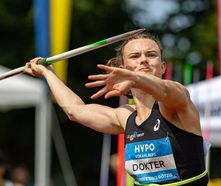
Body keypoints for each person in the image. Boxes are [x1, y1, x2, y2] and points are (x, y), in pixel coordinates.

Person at [25, 32, 208, 185]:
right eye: (135, 57)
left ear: (162, 67)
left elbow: (166, 90)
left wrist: (135, 79)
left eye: (151, 55)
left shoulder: (175, 103)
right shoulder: (126, 116)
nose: (144, 60)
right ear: (121, 68)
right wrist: (47, 73)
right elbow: (74, 110)